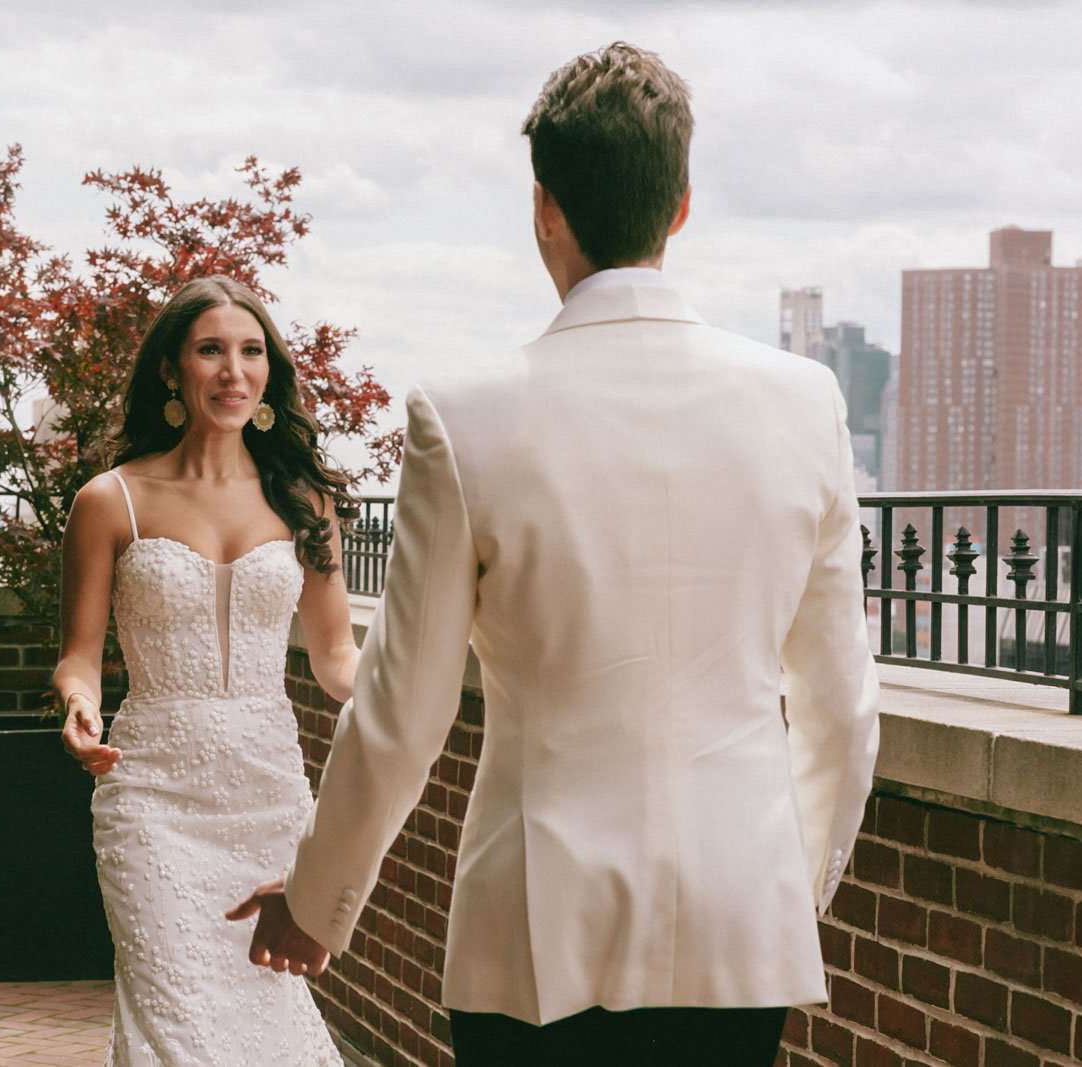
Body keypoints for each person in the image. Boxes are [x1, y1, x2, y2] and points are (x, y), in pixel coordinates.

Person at [229, 42, 881, 1067]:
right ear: (680, 207)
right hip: (738, 926)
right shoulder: (806, 404)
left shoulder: (466, 418)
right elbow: (841, 705)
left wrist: (316, 903)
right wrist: (784, 890)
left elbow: (404, 713)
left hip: (535, 927)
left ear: (543, 207)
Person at [56, 275, 356, 1066]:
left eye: (252, 351)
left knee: (266, 1022)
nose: (234, 371)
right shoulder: (109, 500)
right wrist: (79, 705)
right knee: (173, 1016)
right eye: (211, 350)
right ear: (171, 371)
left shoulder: (304, 501)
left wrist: (411, 693)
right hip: (152, 790)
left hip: (267, 789)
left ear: (269, 373)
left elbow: (335, 658)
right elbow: (79, 656)